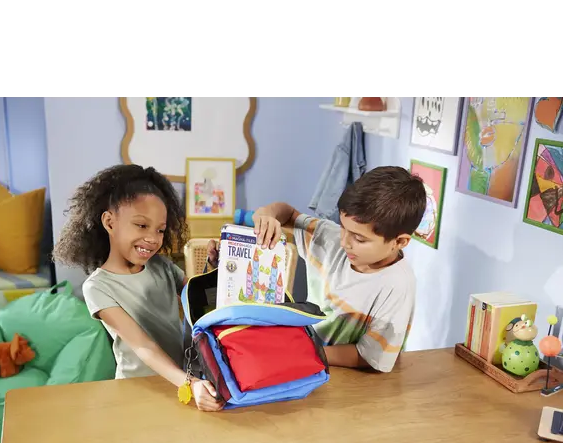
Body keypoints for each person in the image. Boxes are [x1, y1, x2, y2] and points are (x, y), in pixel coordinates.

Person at [208, 166, 427, 373]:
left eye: (359, 239)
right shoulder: (329, 238)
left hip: (349, 378)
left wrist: (303, 352)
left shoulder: (397, 286)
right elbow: (287, 214)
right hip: (304, 358)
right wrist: (267, 216)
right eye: (343, 228)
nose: (345, 242)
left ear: (400, 242)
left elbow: (369, 357)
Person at [53, 164, 223, 412]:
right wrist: (190, 383)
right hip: (138, 389)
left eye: (160, 230)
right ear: (109, 222)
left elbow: (199, 300)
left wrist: (216, 268)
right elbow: (143, 346)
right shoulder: (98, 287)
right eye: (142, 225)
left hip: (178, 382)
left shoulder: (162, 266)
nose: (153, 238)